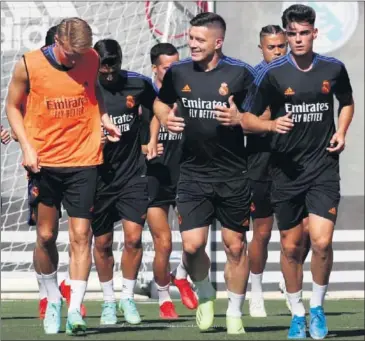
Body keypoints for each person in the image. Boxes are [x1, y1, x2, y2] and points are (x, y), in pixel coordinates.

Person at [239, 4, 354, 339]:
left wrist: (342, 132)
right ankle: (297, 313)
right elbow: (246, 120)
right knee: (291, 247)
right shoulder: (272, 75)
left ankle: (317, 308)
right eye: (292, 34)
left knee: (321, 241)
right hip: (284, 172)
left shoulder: (333, 68)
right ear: (286, 35)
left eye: (305, 33)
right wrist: (271, 124)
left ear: (315, 33)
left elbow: (346, 103)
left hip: (323, 168)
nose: (298, 39)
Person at [5, 17, 120, 335]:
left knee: (82, 236)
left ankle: (75, 311)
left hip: (84, 159)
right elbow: (12, 107)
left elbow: (93, 88)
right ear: (57, 41)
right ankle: (52, 298)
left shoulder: (91, 58)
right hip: (43, 161)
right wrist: (26, 146)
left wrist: (105, 117)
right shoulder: (29, 65)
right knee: (45, 236)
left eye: (80, 56)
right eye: (70, 55)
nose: (75, 61)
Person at [154, 12, 261, 334]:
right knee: (191, 246)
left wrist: (240, 118)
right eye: (190, 38)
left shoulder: (242, 73)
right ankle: (204, 292)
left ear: (218, 42)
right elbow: (161, 103)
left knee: (236, 246)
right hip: (192, 173)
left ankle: (234, 313)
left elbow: (260, 116)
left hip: (233, 174)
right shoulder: (178, 72)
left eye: (200, 40)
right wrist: (164, 118)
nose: (193, 45)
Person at [247, 24, 311, 318]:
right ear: (261, 48)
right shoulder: (256, 77)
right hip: (260, 160)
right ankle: (256, 291)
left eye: (281, 46)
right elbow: (246, 120)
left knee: (307, 229)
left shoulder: (299, 72)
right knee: (262, 231)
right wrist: (269, 119)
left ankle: (290, 282)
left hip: (294, 162)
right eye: (271, 47)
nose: (277, 51)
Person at [91, 39, 156, 326]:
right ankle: (108, 302)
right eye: (102, 65)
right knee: (103, 243)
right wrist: (95, 137)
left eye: (112, 64)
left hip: (132, 173)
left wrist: (151, 140)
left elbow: (159, 108)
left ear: (119, 60)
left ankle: (127, 298)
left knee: (133, 238)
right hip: (98, 177)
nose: (107, 71)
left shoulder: (138, 84)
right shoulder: (86, 86)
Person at [140, 42, 198, 319]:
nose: (173, 71)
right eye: (167, 67)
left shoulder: (188, 94)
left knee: (193, 244)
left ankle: (182, 275)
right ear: (155, 68)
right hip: (155, 177)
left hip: (188, 177)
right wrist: (144, 148)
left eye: (177, 65)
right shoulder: (144, 97)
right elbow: (125, 141)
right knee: (163, 243)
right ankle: (163, 298)